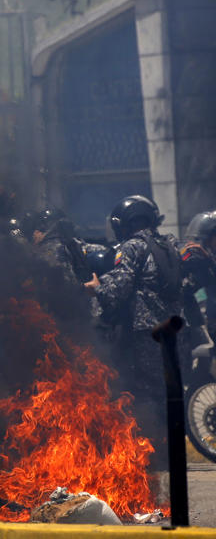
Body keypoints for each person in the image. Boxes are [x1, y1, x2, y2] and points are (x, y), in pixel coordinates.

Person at [84, 195, 182, 467]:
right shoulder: (171, 243)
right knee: (168, 391)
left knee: (144, 391)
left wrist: (96, 288)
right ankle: (171, 451)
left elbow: (119, 290)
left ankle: (154, 455)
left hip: (145, 330)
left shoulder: (133, 247)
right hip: (173, 331)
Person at [180, 210, 216, 365]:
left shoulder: (210, 260)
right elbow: (190, 286)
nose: (204, 244)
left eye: (207, 240)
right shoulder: (206, 261)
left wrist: (208, 260)